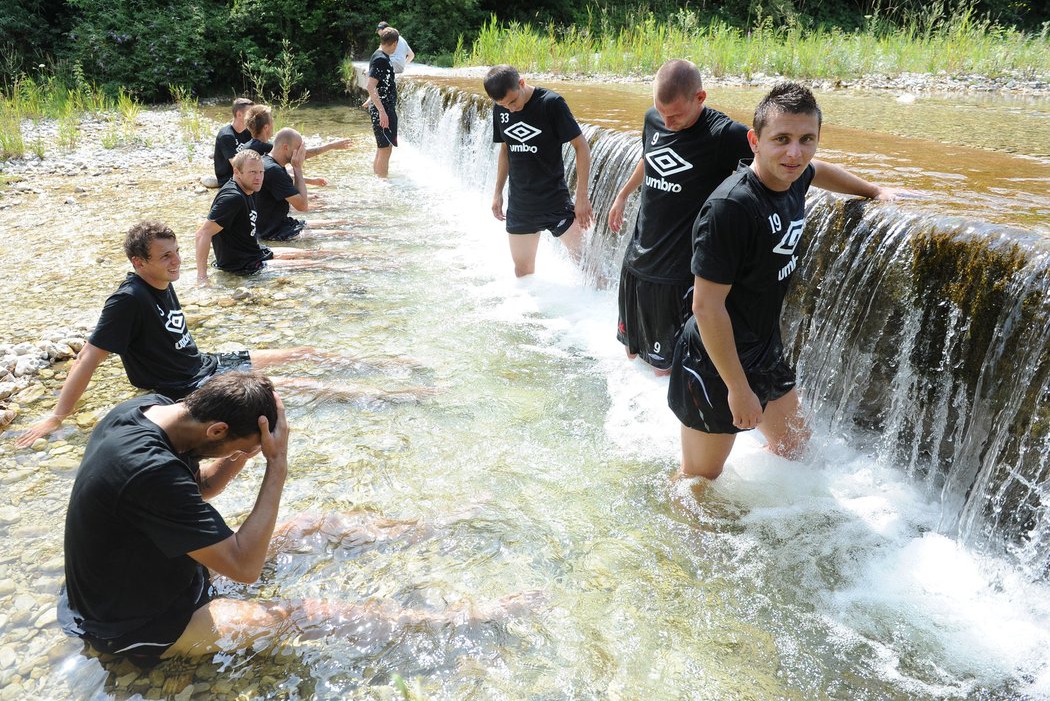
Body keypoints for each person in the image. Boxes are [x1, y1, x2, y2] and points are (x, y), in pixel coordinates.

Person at [58, 373, 532, 665]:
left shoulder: (146, 412)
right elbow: (245, 568)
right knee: (303, 615)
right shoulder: (148, 472)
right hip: (136, 625)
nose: (245, 455)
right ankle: (454, 622)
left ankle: (431, 528)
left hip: (161, 573)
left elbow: (203, 487)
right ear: (216, 428)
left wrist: (244, 449)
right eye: (239, 446)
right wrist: (276, 464)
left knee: (310, 524)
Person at [667, 82, 904, 480]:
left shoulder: (793, 176)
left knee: (794, 446)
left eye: (806, 139)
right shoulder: (731, 208)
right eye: (781, 140)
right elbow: (706, 308)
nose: (795, 153)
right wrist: (738, 389)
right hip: (714, 362)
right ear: (754, 141)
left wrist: (874, 190)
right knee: (699, 480)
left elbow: (819, 171)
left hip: (763, 348)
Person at [15, 221, 314, 448]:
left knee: (304, 354)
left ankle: (361, 366)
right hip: (186, 385)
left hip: (203, 364)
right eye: (166, 256)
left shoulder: (162, 280)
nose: (176, 261)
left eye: (177, 252)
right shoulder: (128, 300)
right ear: (139, 262)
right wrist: (58, 416)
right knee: (290, 386)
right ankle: (360, 399)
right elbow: (87, 358)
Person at [607, 60, 752, 375]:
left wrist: (870, 188)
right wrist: (623, 194)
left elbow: (783, 164)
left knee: (665, 372)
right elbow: (650, 157)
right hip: (636, 263)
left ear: (700, 97)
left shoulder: (723, 134)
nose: (667, 122)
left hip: (677, 277)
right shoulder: (654, 119)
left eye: (676, 115)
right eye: (662, 112)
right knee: (632, 356)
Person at [484, 65, 593, 278]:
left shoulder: (551, 104)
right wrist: (497, 192)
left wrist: (582, 197)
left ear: (522, 83)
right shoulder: (501, 109)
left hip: (555, 202)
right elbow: (505, 150)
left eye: (513, 101)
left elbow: (581, 146)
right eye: (503, 105)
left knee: (588, 268)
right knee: (523, 272)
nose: (510, 109)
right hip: (521, 205)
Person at [195, 149, 346, 282]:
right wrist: (202, 278)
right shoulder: (232, 197)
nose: (258, 177)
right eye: (252, 172)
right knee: (318, 265)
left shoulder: (246, 189)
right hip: (244, 264)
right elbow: (202, 233)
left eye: (261, 172)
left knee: (312, 254)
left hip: (255, 252)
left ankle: (362, 257)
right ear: (236, 172)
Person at [254, 127, 353, 241]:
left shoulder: (266, 161)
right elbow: (303, 206)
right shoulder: (274, 170)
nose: (301, 154)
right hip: (274, 232)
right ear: (286, 147)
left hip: (280, 225)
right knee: (340, 233)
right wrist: (297, 168)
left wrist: (330, 146)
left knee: (338, 223)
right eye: (298, 149)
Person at [237, 104, 353, 188]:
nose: (273, 122)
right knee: (318, 201)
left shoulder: (250, 145)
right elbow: (300, 155)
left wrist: (310, 180)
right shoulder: (263, 148)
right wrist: (331, 146)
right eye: (272, 120)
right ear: (266, 127)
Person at [365, 28, 400, 177]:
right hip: (383, 110)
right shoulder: (381, 59)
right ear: (395, 43)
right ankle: (383, 181)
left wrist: (371, 99)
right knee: (385, 149)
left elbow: (375, 84)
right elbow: (370, 85)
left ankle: (379, 179)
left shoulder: (377, 54)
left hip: (382, 108)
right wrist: (382, 111)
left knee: (382, 148)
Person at [213, 98, 253, 187]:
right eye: (250, 114)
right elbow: (237, 165)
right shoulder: (226, 136)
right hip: (229, 180)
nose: (254, 117)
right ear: (239, 114)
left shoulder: (248, 132)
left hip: (246, 173)